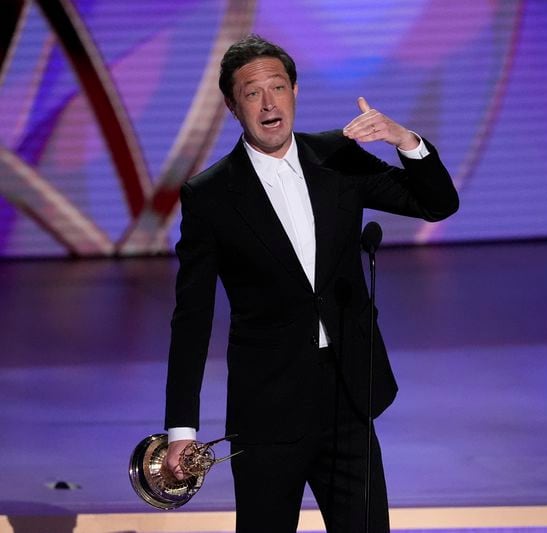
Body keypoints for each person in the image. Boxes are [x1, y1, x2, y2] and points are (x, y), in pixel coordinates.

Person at [162, 34, 458, 533]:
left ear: (295, 90)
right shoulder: (209, 195)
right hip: (267, 408)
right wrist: (180, 430)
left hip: (349, 393)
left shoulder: (338, 157)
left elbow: (437, 204)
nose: (269, 102)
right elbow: (191, 317)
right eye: (253, 93)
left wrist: (404, 139)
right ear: (233, 105)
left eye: (278, 87)